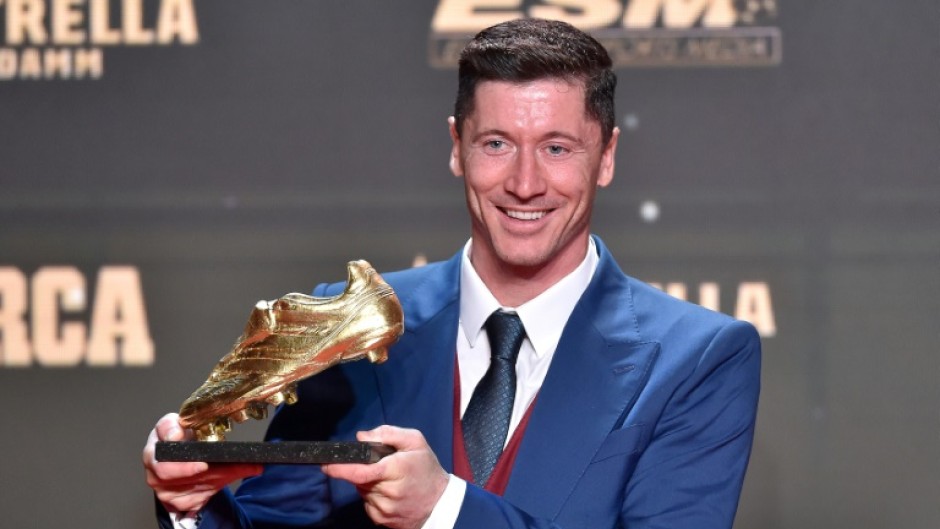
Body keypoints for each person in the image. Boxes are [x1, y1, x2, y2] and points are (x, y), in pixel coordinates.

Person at [143, 18, 761, 529]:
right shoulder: (350, 324)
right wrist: (192, 506)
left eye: (556, 147)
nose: (524, 182)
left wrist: (445, 510)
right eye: (496, 143)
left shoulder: (697, 358)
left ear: (607, 158)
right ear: (455, 146)